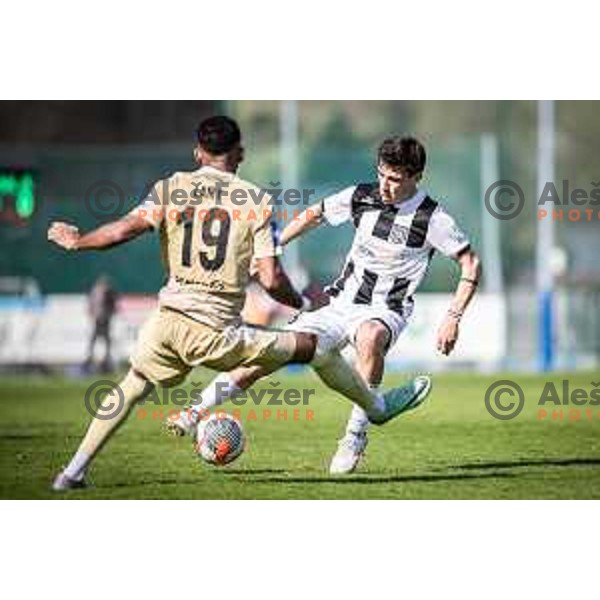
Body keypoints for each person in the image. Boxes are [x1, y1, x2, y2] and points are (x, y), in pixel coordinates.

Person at [47, 116, 431, 491]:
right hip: (217, 332)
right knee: (317, 350)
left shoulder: (171, 187)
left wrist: (78, 241)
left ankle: (72, 473)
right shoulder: (254, 201)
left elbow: (122, 229)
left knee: (131, 387)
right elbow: (271, 279)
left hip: (164, 321)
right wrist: (301, 303)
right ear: (241, 153)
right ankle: (375, 409)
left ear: (198, 153)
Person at [172, 135, 480, 475]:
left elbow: (470, 263)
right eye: (382, 174)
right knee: (265, 356)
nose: (386, 185)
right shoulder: (360, 196)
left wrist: (453, 317)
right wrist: (273, 248)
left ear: (416, 176)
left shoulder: (433, 218)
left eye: (395, 179)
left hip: (386, 308)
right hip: (338, 303)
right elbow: (312, 215)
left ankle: (354, 436)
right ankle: (194, 412)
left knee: (370, 337)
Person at [85, 275, 118, 373]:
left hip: (103, 319)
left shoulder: (103, 292)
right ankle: (96, 360)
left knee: (101, 340)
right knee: (100, 340)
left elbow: (111, 305)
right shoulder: (101, 291)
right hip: (101, 319)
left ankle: (103, 360)